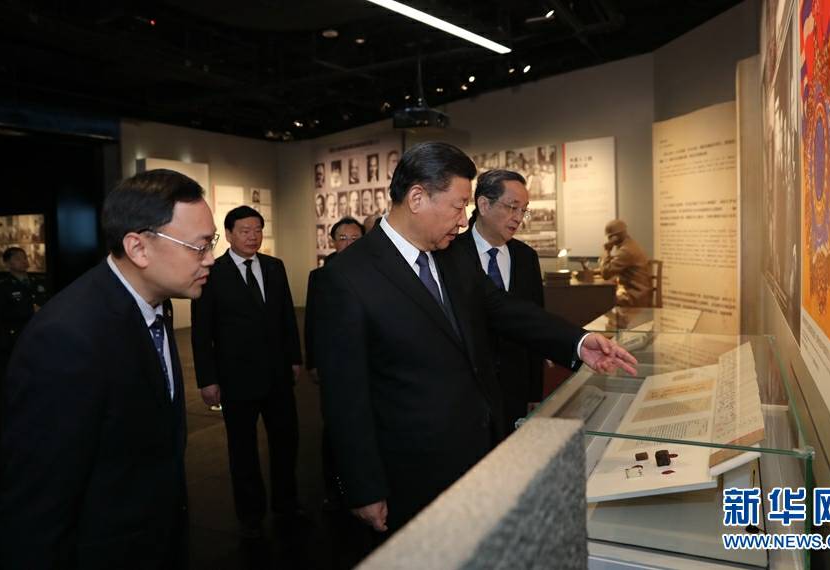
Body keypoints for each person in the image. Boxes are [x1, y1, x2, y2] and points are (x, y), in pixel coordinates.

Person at [315, 142, 637, 536]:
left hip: (480, 449)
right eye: (458, 206)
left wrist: (578, 342)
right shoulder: (346, 277)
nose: (463, 220)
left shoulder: (451, 256)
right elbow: (344, 397)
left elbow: (503, 309)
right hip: (413, 471)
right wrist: (363, 487)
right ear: (417, 198)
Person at [0, 169, 217, 568]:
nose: (211, 259)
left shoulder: (156, 303)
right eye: (198, 247)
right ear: (138, 247)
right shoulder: (66, 337)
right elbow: (39, 504)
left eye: (211, 244)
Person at [191, 205, 304, 539]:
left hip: (278, 375)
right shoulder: (213, 272)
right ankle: (251, 514)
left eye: (257, 230)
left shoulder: (274, 267)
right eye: (245, 231)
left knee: (286, 442)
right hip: (235, 378)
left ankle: (287, 503)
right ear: (228, 234)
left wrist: (294, 358)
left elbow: (286, 317)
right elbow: (201, 331)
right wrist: (207, 379)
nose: (253, 236)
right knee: (243, 450)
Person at [452, 169, 544, 433]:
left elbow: (535, 325)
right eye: (512, 207)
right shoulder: (451, 254)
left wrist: (534, 392)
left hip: (515, 388)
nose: (519, 218)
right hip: (467, 392)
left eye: (524, 210)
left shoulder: (526, 258)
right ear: (484, 204)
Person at [304, 217, 364, 511]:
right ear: (333, 242)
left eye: (355, 239)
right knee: (334, 426)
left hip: (366, 363)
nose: (349, 244)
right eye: (343, 238)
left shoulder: (374, 272)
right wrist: (313, 362)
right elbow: (312, 321)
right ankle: (334, 486)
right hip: (334, 363)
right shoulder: (320, 276)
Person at [598, 219, 652, 307]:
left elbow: (605, 274)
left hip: (634, 296)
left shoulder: (626, 251)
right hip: (637, 293)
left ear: (615, 237)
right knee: (602, 294)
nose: (608, 240)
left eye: (609, 237)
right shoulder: (629, 245)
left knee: (598, 298)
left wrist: (606, 251)